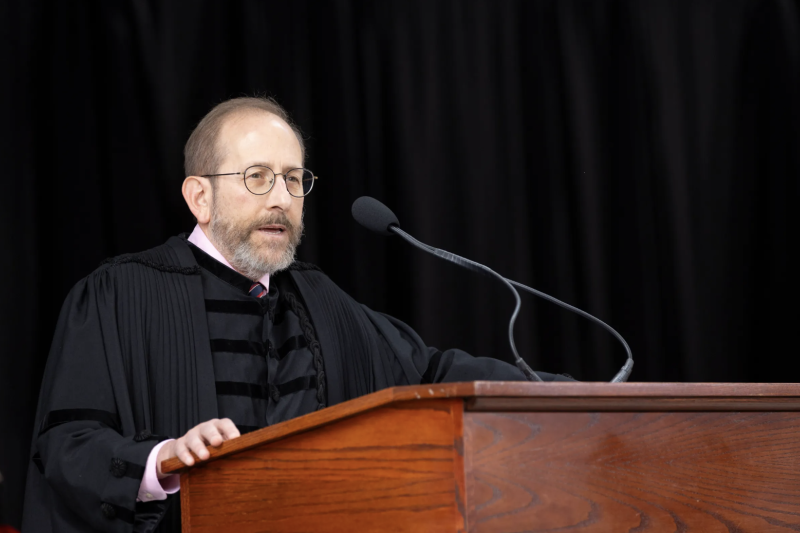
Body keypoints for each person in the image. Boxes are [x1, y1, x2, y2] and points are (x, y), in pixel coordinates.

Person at [22, 97, 570, 533]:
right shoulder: (120, 295)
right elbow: (67, 442)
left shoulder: (320, 300)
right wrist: (162, 459)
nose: (280, 197)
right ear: (199, 198)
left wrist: (571, 395)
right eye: (257, 177)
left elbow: (432, 373)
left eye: (293, 179)